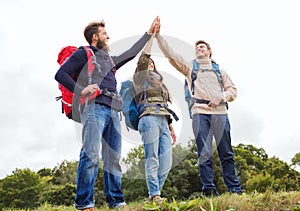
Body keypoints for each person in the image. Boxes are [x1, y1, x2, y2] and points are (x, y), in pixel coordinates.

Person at [55, 17, 160, 210]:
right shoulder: (83, 53)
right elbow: (60, 74)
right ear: (95, 37)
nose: (108, 36)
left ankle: (116, 202)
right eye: (104, 33)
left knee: (113, 158)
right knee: (91, 154)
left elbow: (131, 53)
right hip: (94, 108)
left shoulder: (109, 60)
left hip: (113, 111)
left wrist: (149, 33)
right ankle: (85, 203)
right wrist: (81, 89)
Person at [155, 21, 242, 196]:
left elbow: (233, 90)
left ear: (209, 51)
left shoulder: (219, 70)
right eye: (197, 48)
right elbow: (171, 56)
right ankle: (208, 189)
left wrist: (221, 97)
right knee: (204, 152)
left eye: (202, 47)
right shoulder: (190, 68)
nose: (199, 49)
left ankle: (234, 189)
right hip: (200, 113)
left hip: (220, 113)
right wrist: (158, 36)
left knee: (226, 152)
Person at [133, 31, 177, 202]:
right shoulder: (140, 78)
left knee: (166, 162)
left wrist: (171, 126)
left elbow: (164, 106)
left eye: (153, 62)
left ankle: (153, 195)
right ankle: (155, 195)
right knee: (152, 157)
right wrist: (151, 38)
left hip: (163, 120)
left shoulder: (160, 84)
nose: (150, 63)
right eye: (148, 62)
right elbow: (144, 58)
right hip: (148, 118)